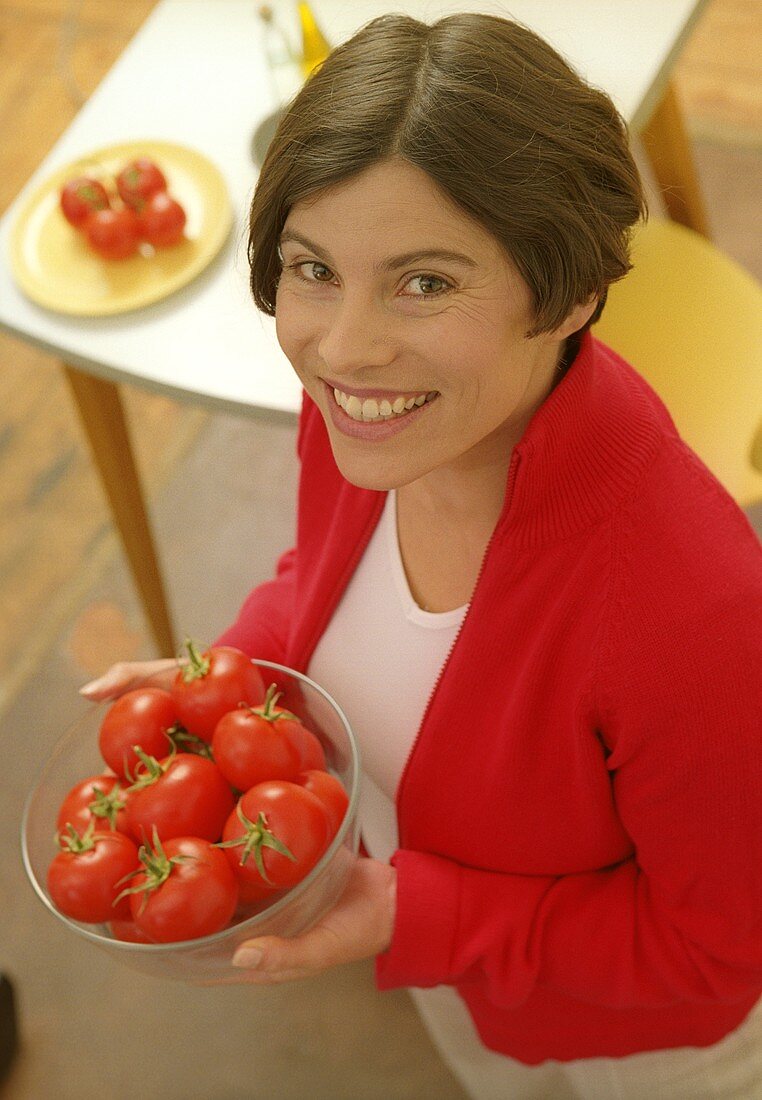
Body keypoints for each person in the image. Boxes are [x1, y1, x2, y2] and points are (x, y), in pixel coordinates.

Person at [80, 13, 762, 1098]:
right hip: (455, 971)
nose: (343, 347)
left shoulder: (693, 614)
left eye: (426, 281)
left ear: (571, 293)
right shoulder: (375, 417)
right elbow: (323, 575)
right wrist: (242, 678)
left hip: (655, 1045)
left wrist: (419, 912)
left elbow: (719, 949)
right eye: (314, 268)